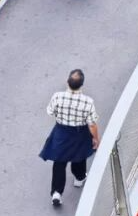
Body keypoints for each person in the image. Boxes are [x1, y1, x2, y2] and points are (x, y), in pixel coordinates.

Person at [40, 69, 100, 207]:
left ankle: (56, 193)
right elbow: (92, 124)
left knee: (59, 162)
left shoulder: (57, 97)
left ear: (67, 82)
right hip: (79, 133)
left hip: (61, 132)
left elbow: (50, 111)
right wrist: (96, 138)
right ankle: (79, 178)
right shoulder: (88, 102)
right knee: (79, 155)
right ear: (82, 84)